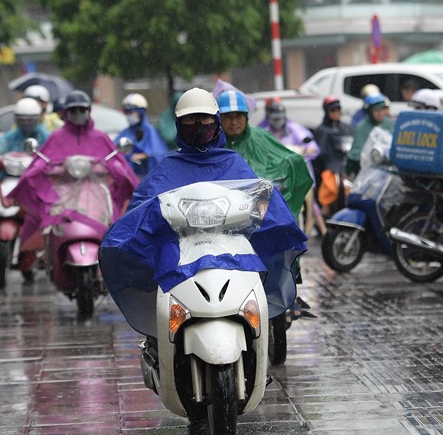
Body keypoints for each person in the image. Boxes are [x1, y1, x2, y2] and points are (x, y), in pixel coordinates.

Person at [100, 88, 308, 343]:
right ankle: (159, 346)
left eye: (205, 119)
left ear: (215, 123)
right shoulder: (167, 167)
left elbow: (259, 197)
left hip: (233, 249)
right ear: (179, 125)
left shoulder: (233, 163)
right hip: (178, 251)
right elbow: (141, 207)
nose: (198, 126)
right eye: (190, 120)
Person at [9, 90, 139, 252]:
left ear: (88, 111)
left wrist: (116, 172)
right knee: (46, 214)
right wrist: (47, 170)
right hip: (61, 194)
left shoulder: (100, 137)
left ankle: (111, 254)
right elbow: (41, 163)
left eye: (81, 110)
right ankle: (48, 254)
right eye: (73, 110)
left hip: (96, 193)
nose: (78, 114)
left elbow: (116, 163)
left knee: (115, 224)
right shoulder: (56, 138)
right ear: (65, 112)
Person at [217, 89, 313, 230]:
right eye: (228, 117)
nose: (234, 122)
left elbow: (286, 159)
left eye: (238, 116)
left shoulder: (260, 136)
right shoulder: (212, 143)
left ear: (246, 117)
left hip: (262, 215)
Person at [258, 98, 323, 236]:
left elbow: (311, 145)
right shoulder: (262, 132)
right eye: (274, 115)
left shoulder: (295, 129)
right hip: (275, 177)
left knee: (312, 204)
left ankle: (323, 232)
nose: (277, 119)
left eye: (279, 115)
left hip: (299, 176)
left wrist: (307, 150)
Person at [0, 98, 50, 178]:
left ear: (37, 119)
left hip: (38, 179)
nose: (25, 123)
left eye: (29, 120)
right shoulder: (11, 136)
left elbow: (54, 155)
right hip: (10, 178)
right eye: (22, 120)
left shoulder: (46, 136)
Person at [312, 96, 353, 217]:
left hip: (345, 166)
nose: (336, 113)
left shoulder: (345, 127)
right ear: (327, 112)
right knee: (330, 189)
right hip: (329, 168)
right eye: (333, 110)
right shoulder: (322, 130)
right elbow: (321, 153)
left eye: (338, 109)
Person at [115, 93, 169, 178]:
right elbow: (115, 148)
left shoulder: (149, 131)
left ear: (140, 112)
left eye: (131, 112)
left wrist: (143, 155)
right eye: (127, 112)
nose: (129, 115)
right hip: (127, 177)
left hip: (147, 177)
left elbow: (158, 154)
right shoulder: (126, 132)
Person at [346, 93, 395, 178]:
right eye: (376, 111)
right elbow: (355, 155)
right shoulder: (362, 127)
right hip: (367, 173)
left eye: (382, 110)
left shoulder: (389, 124)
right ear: (370, 111)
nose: (380, 113)